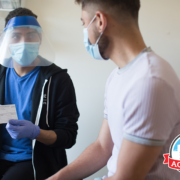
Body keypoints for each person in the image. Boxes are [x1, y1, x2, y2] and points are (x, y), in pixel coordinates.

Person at [47, 0, 180, 180]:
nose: (85, 31)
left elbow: (126, 177)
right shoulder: (117, 76)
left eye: (84, 23)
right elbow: (103, 147)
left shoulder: (149, 82)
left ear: (100, 21)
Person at [0, 8, 79, 180]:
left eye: (30, 35)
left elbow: (69, 136)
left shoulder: (57, 80)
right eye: (15, 36)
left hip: (33, 160)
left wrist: (36, 133)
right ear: (6, 40)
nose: (24, 42)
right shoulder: (1, 73)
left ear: (40, 38)